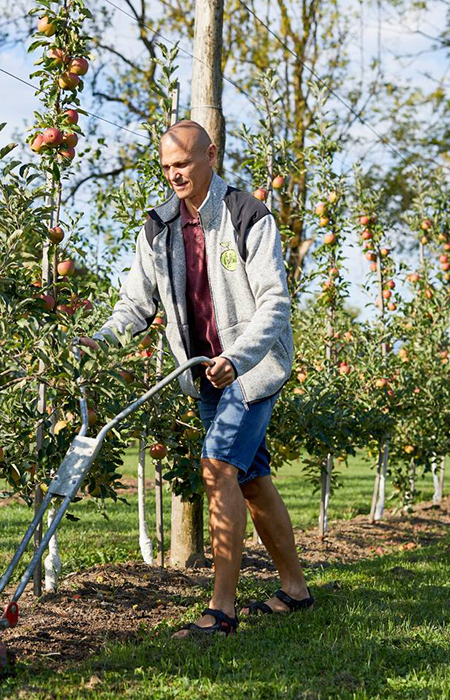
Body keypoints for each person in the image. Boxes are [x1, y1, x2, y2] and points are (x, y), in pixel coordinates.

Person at [82, 120, 313, 638]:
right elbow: (136, 305)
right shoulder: (159, 227)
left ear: (211, 154)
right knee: (250, 479)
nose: (174, 175)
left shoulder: (248, 215)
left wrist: (239, 355)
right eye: (166, 167)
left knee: (216, 468)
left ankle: (222, 609)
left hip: (251, 369)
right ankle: (296, 590)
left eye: (182, 163)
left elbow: (275, 302)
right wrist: (98, 342)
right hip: (202, 374)